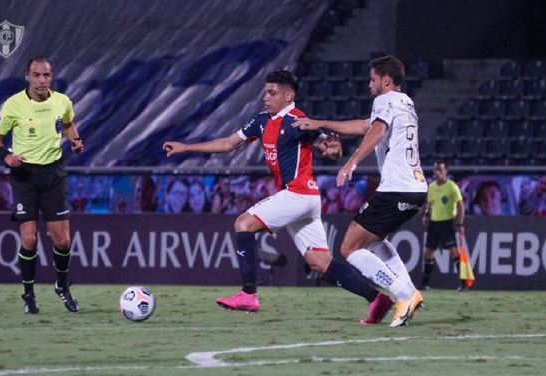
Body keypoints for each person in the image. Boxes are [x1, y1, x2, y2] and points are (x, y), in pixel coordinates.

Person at [163, 70, 390, 324]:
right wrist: (186, 147)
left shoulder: (297, 120)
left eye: (272, 93)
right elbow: (228, 143)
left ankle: (248, 294)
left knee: (243, 224)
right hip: (303, 198)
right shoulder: (261, 122)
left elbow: (330, 151)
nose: (266, 97)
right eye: (265, 92)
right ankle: (377, 300)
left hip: (299, 193)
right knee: (319, 262)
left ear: (288, 95)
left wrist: (334, 150)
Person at [294, 55, 427, 327]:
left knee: (349, 247)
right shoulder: (405, 102)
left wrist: (351, 162)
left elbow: (376, 131)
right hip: (415, 188)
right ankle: (409, 291)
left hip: (397, 189)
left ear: (385, 80)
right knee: (374, 240)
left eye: (373, 79)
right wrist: (322, 123)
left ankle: (403, 294)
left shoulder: (385, 100)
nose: (370, 84)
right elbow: (366, 126)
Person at [0, 57, 83, 314]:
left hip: (53, 174)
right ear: (27, 77)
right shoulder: (13, 105)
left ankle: (62, 286)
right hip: (24, 176)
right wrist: (6, 157)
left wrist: (75, 140)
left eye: (46, 75)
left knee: (62, 240)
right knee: (29, 239)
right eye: (37, 75)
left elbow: (68, 124)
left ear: (51, 77)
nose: (42, 80)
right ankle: (28, 295)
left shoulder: (62, 101)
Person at [419, 161, 466, 291]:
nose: (437, 173)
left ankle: (464, 282)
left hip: (447, 222)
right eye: (435, 170)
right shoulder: (432, 187)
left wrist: (460, 223)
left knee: (453, 252)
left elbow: (461, 205)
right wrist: (426, 216)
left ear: (446, 171)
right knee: (428, 253)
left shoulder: (452, 187)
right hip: (434, 223)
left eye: (440, 170)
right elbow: (429, 204)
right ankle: (425, 283)